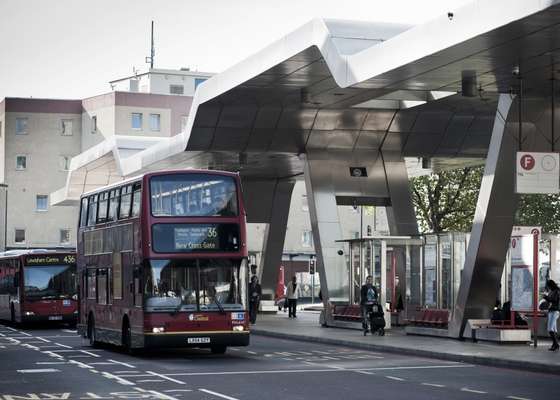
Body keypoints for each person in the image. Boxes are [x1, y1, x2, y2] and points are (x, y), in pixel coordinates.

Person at [543, 279, 560, 351]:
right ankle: (555, 344)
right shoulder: (552, 291)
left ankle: (556, 344)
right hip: (551, 311)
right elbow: (550, 300)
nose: (548, 287)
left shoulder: (557, 291)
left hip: (555, 311)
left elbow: (554, 300)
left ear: (551, 285)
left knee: (550, 328)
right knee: (553, 329)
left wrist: (546, 297)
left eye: (548, 285)